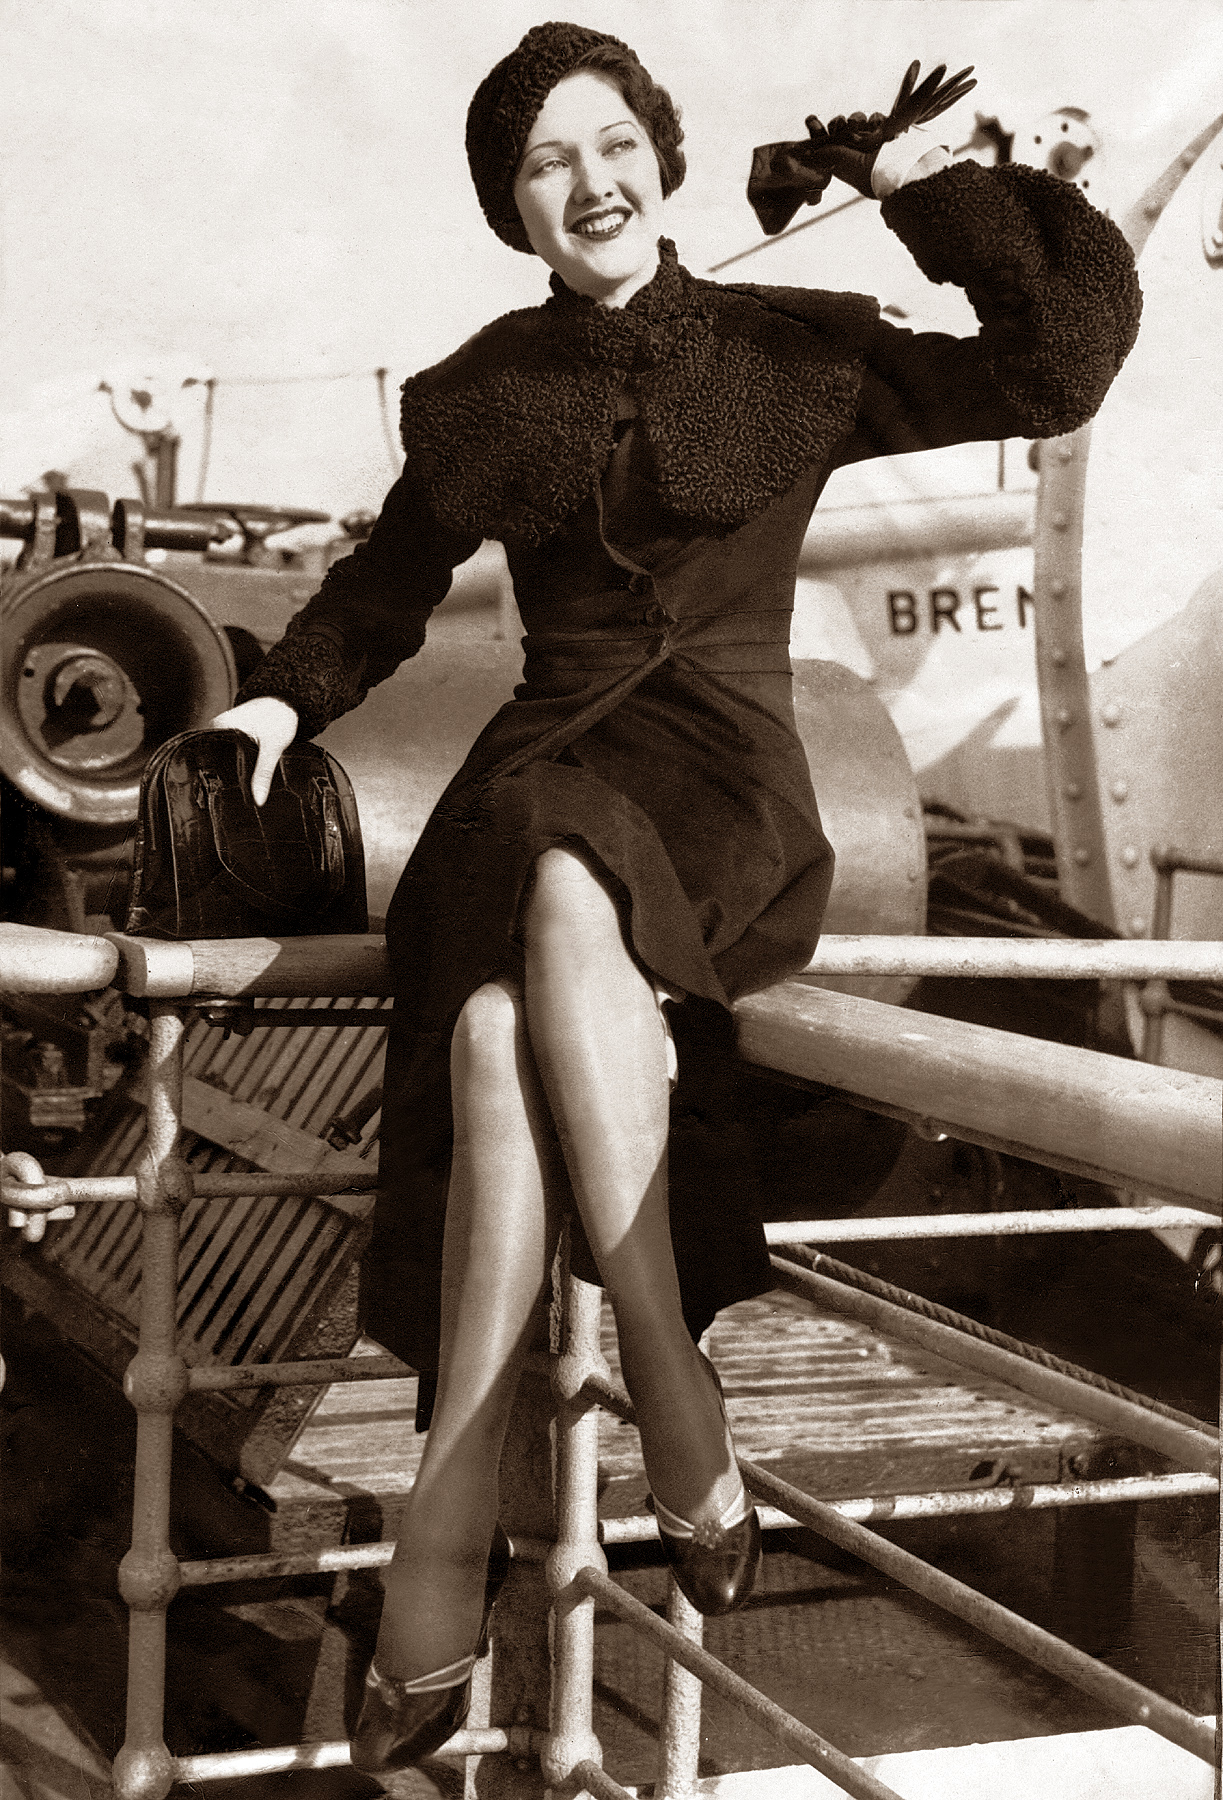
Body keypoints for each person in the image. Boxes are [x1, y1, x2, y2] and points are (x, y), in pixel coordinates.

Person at [212, 21, 1141, 1771]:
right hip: (541, 760)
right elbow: (383, 589)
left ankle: (467, 1500)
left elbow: (1056, 368)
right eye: (546, 162)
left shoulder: (794, 344)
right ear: (511, 206)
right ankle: (665, 1372)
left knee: (547, 903)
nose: (592, 182)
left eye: (615, 142)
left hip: (723, 779)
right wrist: (274, 705)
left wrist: (928, 191)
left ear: (664, 154)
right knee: (495, 1016)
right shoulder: (480, 392)